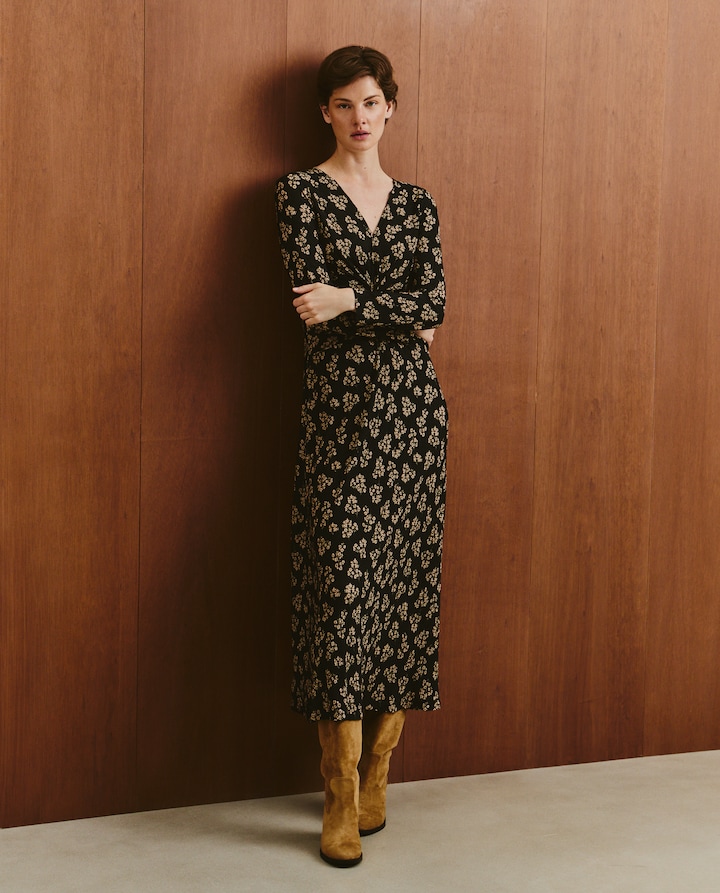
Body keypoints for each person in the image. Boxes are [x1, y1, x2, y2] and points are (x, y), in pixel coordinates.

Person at [275, 45, 447, 868]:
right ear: (326, 112)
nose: (359, 116)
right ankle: (339, 793)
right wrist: (386, 309)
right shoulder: (299, 194)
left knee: (402, 592)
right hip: (340, 421)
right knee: (341, 595)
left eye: (371, 101)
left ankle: (379, 775)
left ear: (391, 108)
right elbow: (312, 305)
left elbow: (436, 306)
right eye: (344, 103)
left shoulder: (417, 204)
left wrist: (352, 297)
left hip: (416, 421)